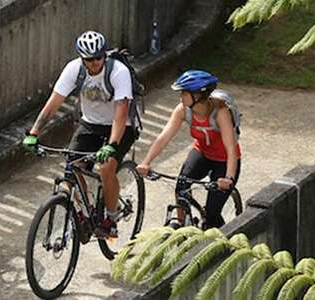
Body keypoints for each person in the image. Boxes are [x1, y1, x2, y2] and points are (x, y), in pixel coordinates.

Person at [23, 30, 136, 238]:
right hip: (90, 124)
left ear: (104, 55)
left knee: (106, 168)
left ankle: (111, 219)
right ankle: (88, 210)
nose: (94, 63)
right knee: (72, 168)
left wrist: (111, 145)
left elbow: (121, 113)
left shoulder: (118, 71)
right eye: (88, 60)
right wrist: (34, 132)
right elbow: (53, 103)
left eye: (98, 58)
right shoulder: (74, 69)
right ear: (81, 58)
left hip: (120, 127)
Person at [136, 70, 241, 228]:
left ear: (199, 95)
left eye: (184, 93)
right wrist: (146, 162)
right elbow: (164, 137)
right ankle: (181, 225)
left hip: (224, 161)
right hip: (202, 154)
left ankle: (226, 243)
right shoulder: (182, 110)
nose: (180, 96)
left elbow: (231, 149)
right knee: (181, 187)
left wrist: (229, 178)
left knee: (212, 214)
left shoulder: (220, 112)